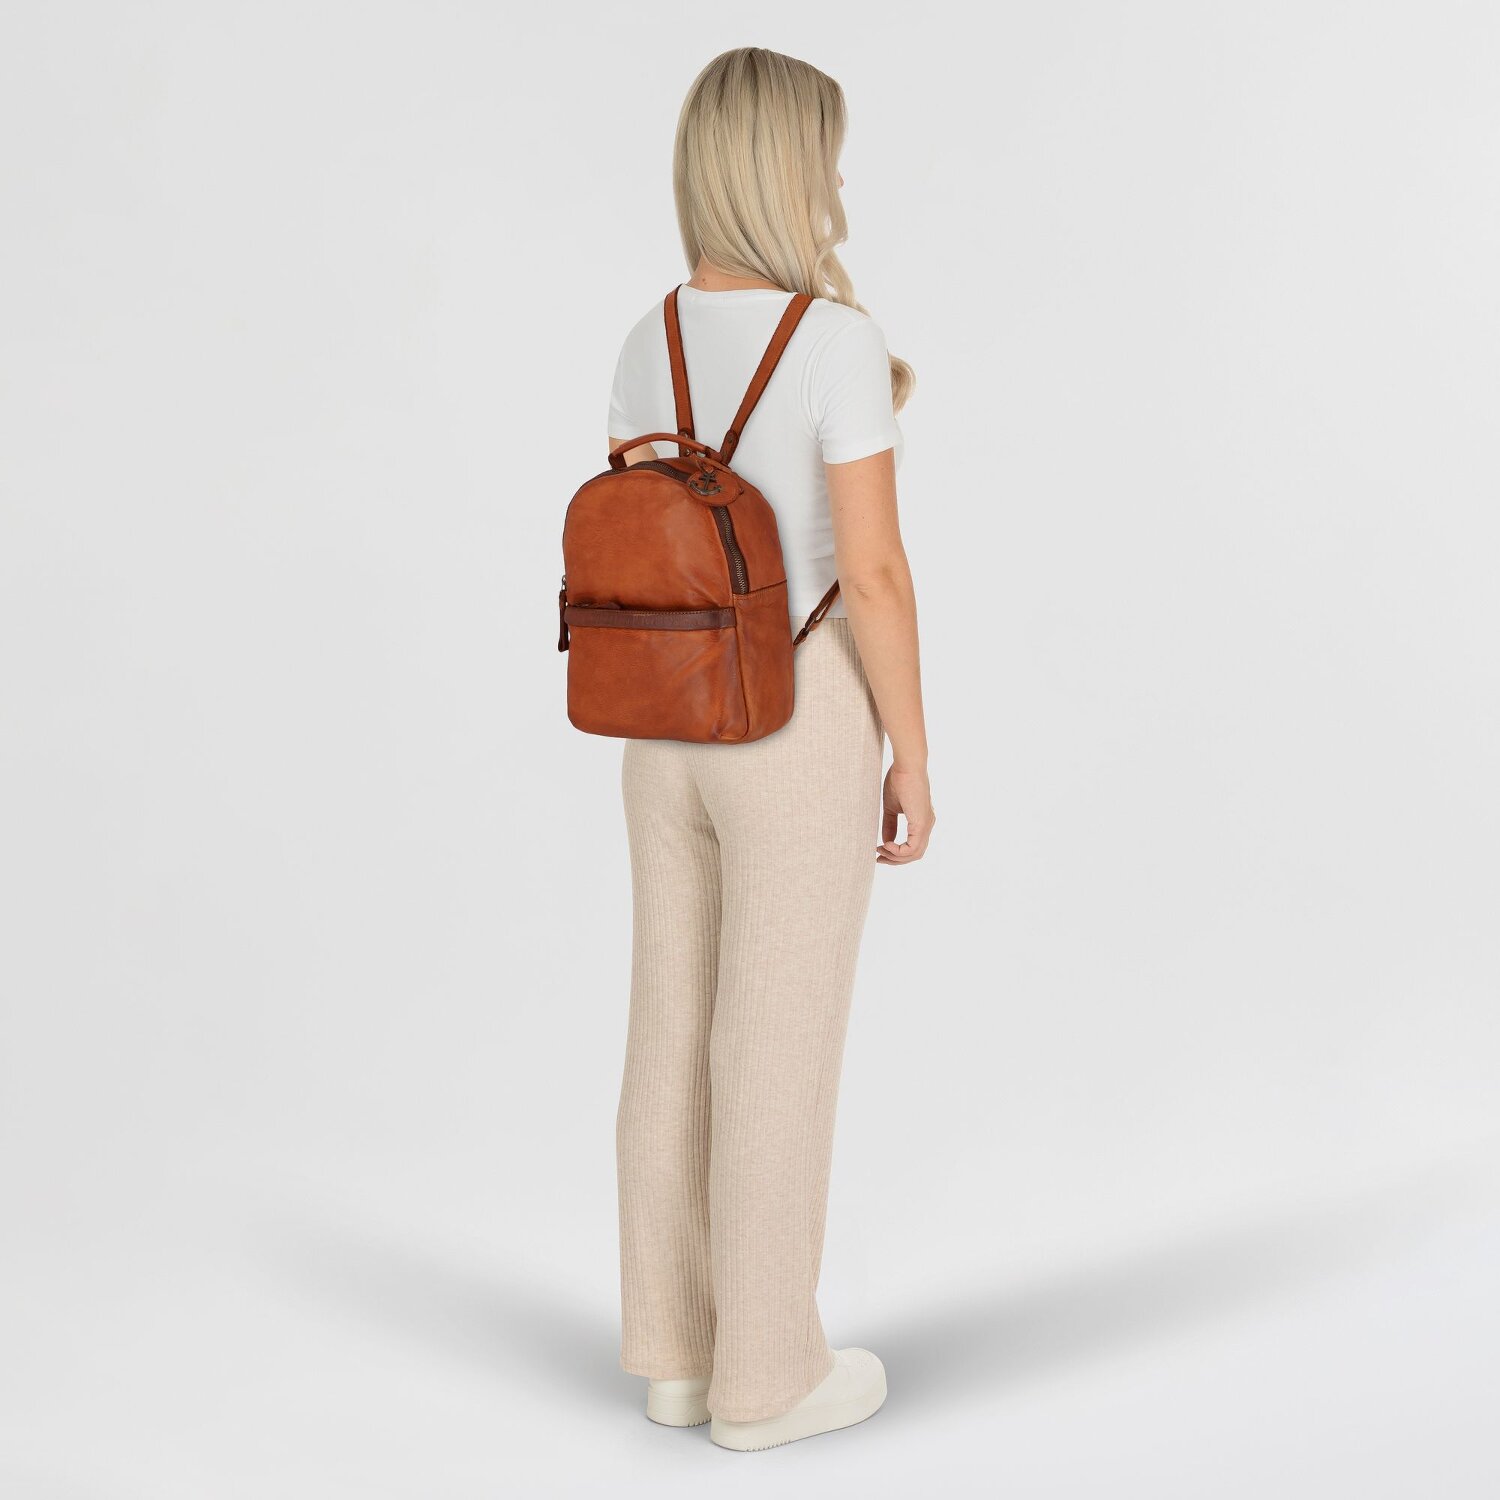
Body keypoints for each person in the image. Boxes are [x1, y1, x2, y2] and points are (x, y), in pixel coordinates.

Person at [606, 46, 934, 1452]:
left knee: (671, 1033)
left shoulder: (648, 340)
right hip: (793, 721)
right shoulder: (834, 342)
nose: (839, 181)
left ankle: (676, 1357)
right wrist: (911, 752)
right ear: (788, 171)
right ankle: (768, 1381)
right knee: (775, 1044)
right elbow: (874, 574)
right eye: (828, 155)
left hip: (661, 729)